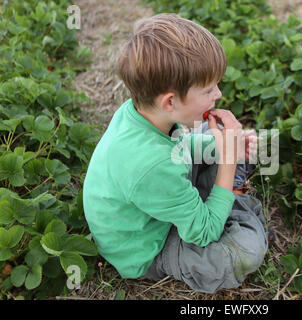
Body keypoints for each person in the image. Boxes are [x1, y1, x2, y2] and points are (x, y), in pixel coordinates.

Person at [82, 13, 269, 294]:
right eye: (208, 90)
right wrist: (228, 163)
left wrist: (220, 147)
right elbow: (204, 234)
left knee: (208, 136)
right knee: (245, 252)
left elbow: (180, 147)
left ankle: (225, 195)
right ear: (169, 101)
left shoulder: (144, 112)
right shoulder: (151, 163)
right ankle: (236, 202)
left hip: (158, 191)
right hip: (150, 245)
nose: (218, 94)